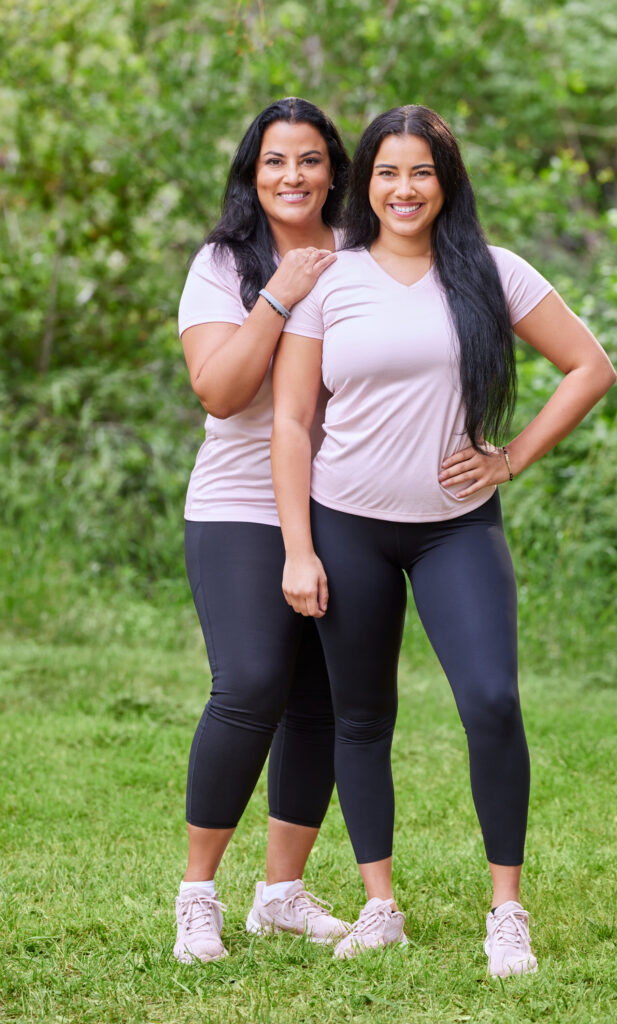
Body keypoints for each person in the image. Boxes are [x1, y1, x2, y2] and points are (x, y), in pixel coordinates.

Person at [270, 105, 616, 974]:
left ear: (445, 181)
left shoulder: (491, 272)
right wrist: (298, 547)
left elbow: (590, 367)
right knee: (361, 717)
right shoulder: (333, 281)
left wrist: (512, 459)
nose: (402, 189)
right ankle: (378, 903)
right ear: (366, 185)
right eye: (386, 172)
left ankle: (507, 909)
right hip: (346, 525)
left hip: (456, 529)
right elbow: (290, 418)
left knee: (492, 701)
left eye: (420, 171)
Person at [174, 98, 352, 963]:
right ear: (253, 171)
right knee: (248, 685)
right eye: (276, 160)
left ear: (332, 171)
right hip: (238, 506)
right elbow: (220, 390)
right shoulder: (221, 264)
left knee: (320, 699)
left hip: (345, 505)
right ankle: (197, 894)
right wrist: (281, 292)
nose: (293, 176)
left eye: (310, 159)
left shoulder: (364, 258)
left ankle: (281, 892)